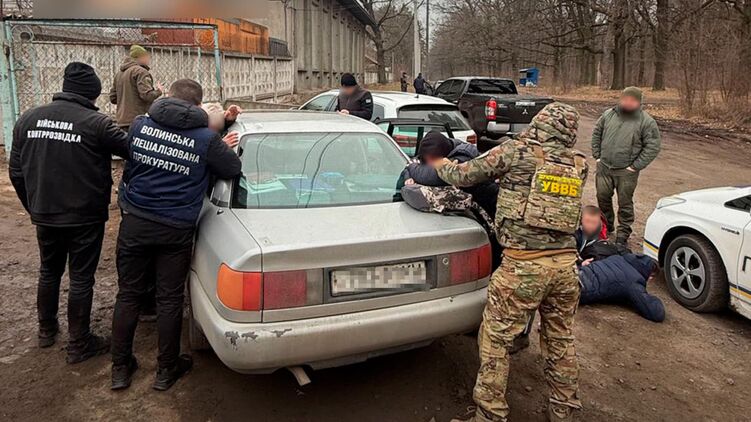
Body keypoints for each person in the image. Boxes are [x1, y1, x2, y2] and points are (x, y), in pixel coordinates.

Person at [438, 102, 587, 422]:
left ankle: (490, 415)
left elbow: (465, 175)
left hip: (522, 267)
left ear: (539, 123)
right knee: (560, 340)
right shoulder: (579, 163)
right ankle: (563, 410)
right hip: (565, 268)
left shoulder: (516, 152)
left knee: (495, 340)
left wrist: (442, 165)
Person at [110, 79, 242, 391]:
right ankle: (166, 369)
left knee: (128, 294)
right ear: (198, 105)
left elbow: (130, 164)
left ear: (168, 96)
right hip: (176, 228)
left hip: (136, 222)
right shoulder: (205, 139)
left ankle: (120, 368)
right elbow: (232, 169)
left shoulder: (140, 126)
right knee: (169, 298)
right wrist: (220, 148)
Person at [9, 62, 129, 363]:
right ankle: (79, 343)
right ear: (93, 93)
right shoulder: (97, 123)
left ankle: (46, 330)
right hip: (84, 217)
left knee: (49, 271)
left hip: (45, 213)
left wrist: (34, 205)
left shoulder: (28, 119)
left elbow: (16, 171)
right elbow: (132, 149)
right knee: (81, 278)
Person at [592, 86, 661, 247]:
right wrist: (598, 156)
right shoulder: (608, 115)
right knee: (602, 197)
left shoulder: (646, 121)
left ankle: (623, 233)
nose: (628, 103)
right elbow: (597, 133)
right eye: (625, 99)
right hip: (604, 167)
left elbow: (653, 146)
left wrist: (635, 166)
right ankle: (606, 226)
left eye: (632, 100)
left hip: (626, 171)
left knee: (625, 203)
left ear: (639, 102)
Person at [575, 206, 665, 322]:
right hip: (578, 288)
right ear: (650, 276)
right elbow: (655, 313)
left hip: (576, 272)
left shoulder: (618, 258)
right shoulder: (633, 281)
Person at [402, 131, 498, 217]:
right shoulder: (438, 151)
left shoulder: (464, 156)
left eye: (434, 159)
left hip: (490, 208)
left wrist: (411, 167)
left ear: (444, 153)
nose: (430, 164)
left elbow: (435, 176)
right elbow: (412, 165)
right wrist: (408, 177)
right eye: (427, 159)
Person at [109, 44, 163, 130]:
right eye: (147, 57)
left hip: (122, 121)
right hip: (139, 120)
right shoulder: (141, 72)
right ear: (141, 57)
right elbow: (146, 95)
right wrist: (159, 91)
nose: (148, 60)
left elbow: (113, 98)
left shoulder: (119, 74)